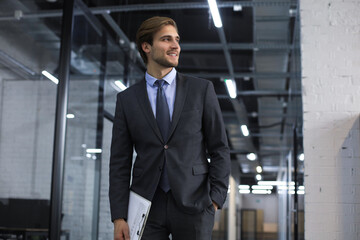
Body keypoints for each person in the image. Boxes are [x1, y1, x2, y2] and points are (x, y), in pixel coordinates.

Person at [109, 16, 230, 240]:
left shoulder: (201, 90)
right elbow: (119, 162)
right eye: (166, 39)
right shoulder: (127, 100)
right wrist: (119, 217)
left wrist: (215, 199)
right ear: (147, 47)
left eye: (177, 39)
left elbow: (219, 148)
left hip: (194, 203)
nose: (175, 46)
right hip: (146, 207)